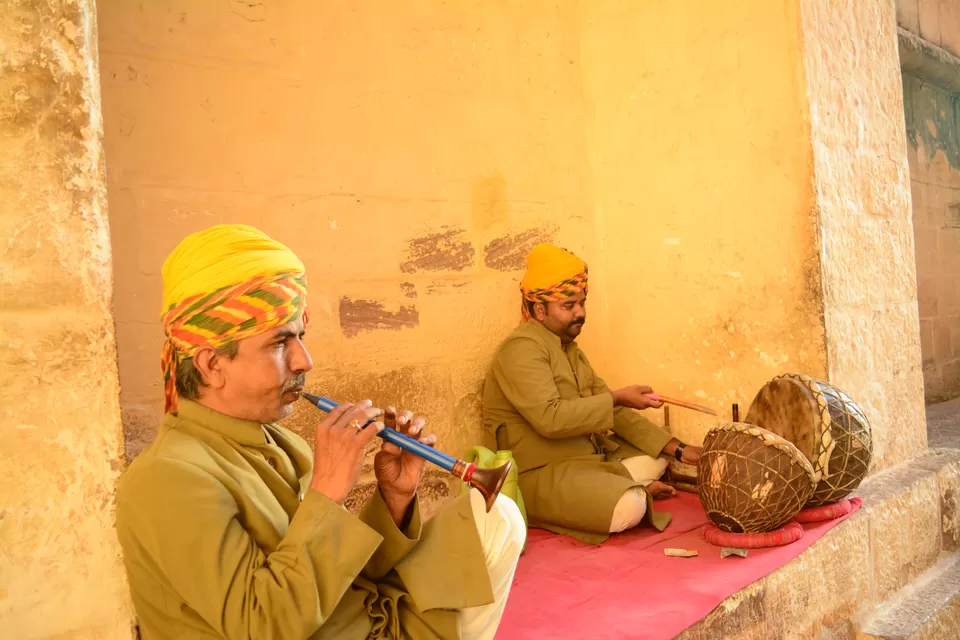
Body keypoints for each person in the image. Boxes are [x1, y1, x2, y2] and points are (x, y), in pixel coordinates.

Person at [115, 224, 525, 640]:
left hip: (369, 619)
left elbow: (344, 571)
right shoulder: (166, 479)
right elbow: (263, 625)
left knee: (497, 519)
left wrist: (394, 497)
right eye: (279, 343)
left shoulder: (283, 442)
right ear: (211, 365)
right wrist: (328, 490)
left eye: (301, 337)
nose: (304, 361)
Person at [481, 243, 702, 545]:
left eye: (582, 303)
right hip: (539, 474)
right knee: (629, 508)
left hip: (585, 461)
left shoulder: (569, 348)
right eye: (569, 306)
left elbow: (614, 412)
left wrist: (681, 450)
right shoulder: (521, 350)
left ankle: (621, 488)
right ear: (540, 310)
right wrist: (618, 397)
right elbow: (551, 419)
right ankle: (629, 493)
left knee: (657, 456)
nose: (581, 313)